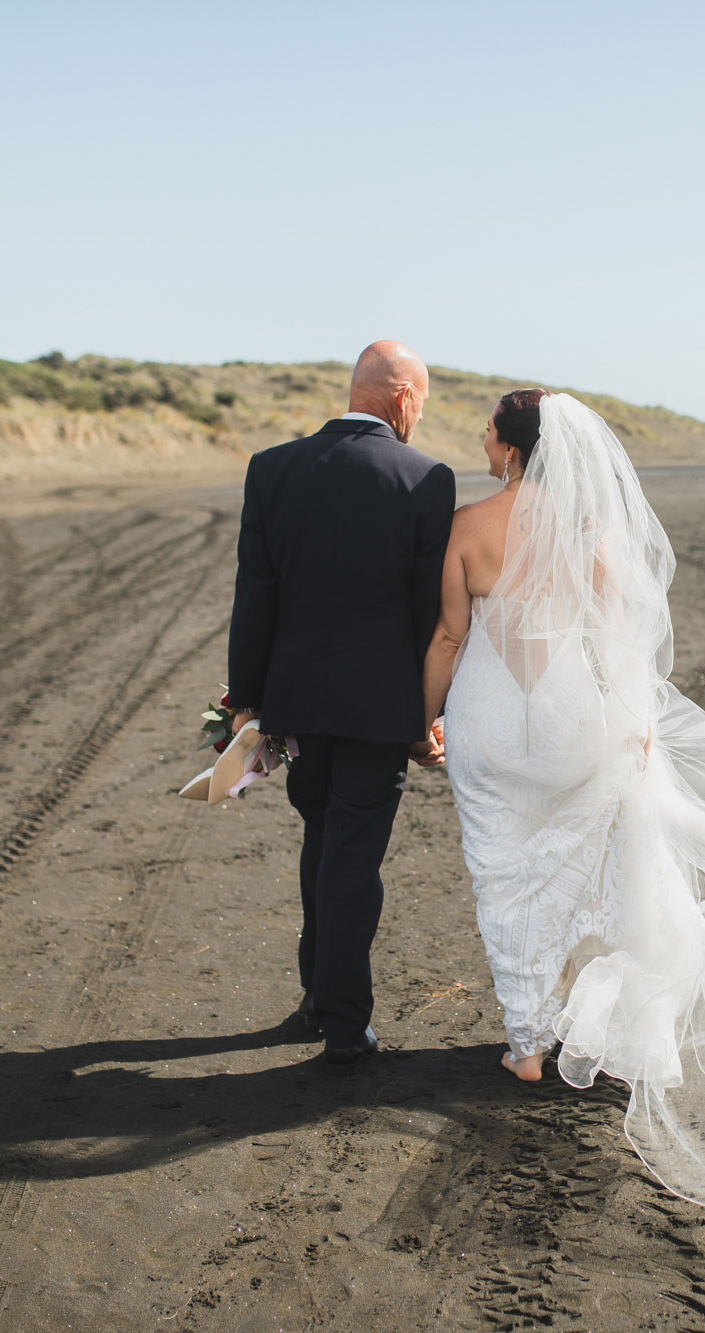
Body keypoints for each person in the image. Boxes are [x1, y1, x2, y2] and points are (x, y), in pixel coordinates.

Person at [421, 389, 705, 1206]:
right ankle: (590, 1023)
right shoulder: (589, 535)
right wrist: (635, 724)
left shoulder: (467, 526)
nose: (484, 442)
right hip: (576, 725)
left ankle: (527, 1042)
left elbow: (451, 636)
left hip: (493, 726)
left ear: (506, 445)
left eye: (487, 432)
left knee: (504, 870)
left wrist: (421, 716)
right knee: (587, 864)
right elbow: (621, 642)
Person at [228, 340, 456, 1067]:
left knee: (323, 841)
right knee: (351, 858)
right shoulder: (425, 478)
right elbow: (431, 615)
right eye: (421, 399)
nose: (421, 412)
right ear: (400, 398)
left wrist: (246, 701)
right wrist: (427, 717)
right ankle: (344, 1024)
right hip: (379, 710)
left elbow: (254, 597)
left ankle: (315, 996)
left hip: (297, 705)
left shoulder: (273, 469)